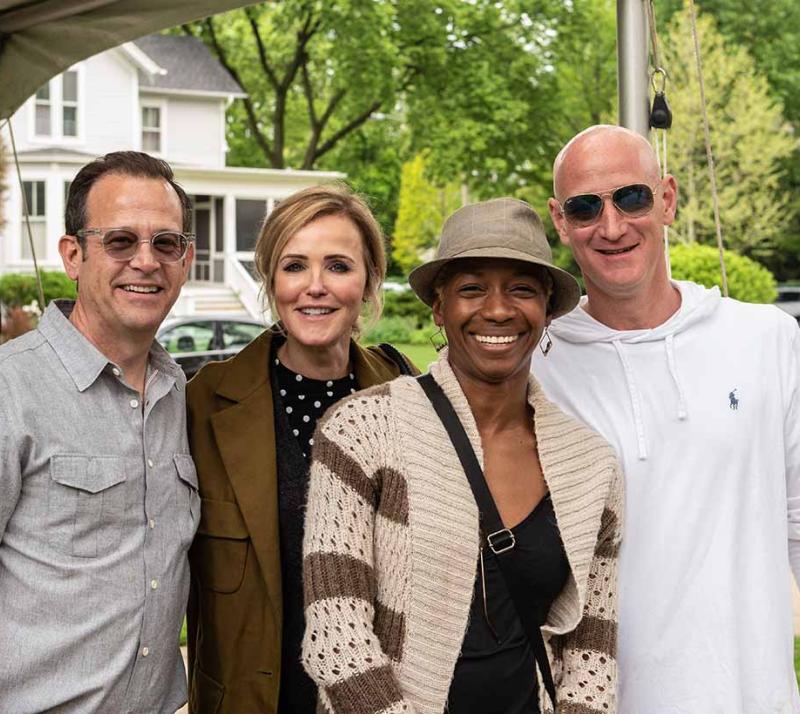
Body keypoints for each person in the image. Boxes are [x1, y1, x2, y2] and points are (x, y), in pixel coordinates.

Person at [302, 197, 623, 714]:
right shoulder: (361, 431)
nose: (497, 309)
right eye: (472, 288)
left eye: (521, 289)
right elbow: (335, 631)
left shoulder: (590, 465)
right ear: (439, 306)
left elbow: (592, 645)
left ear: (546, 308)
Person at [535, 124, 800, 713]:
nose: (612, 226)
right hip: (598, 701)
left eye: (632, 197)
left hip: (754, 697)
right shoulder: (535, 367)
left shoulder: (768, 339)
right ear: (560, 220)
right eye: (585, 207)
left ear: (668, 199)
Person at [186, 184, 415, 713]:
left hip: (381, 700)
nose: (315, 287)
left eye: (338, 266)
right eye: (294, 266)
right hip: (249, 700)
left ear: (368, 281)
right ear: (270, 280)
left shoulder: (405, 397)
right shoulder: (205, 403)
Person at [0, 151, 198, 712]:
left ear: (186, 259)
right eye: (119, 242)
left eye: (166, 243)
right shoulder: (10, 391)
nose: (146, 261)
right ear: (72, 254)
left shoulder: (180, 396)